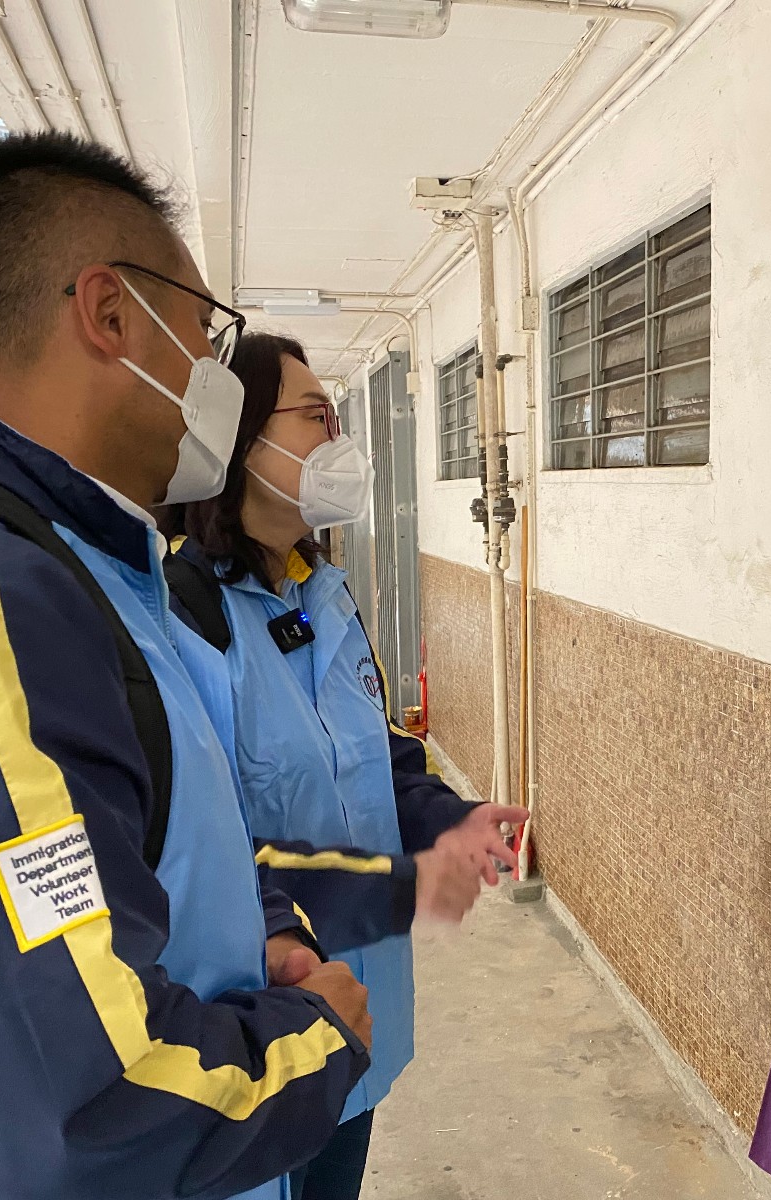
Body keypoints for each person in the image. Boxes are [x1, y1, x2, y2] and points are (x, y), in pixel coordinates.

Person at [0, 133, 375, 1200]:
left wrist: (263, 930)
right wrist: (312, 1042)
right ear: (110, 314)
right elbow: (77, 1114)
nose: (211, 374)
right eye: (203, 333)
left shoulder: (90, 577)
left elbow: (148, 846)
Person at [163, 330, 527, 1200]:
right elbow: (204, 847)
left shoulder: (324, 595)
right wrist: (389, 891)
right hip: (271, 1019)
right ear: (241, 443)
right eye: (317, 418)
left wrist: (450, 820)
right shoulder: (185, 617)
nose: (340, 442)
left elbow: (378, 756)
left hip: (360, 1014)